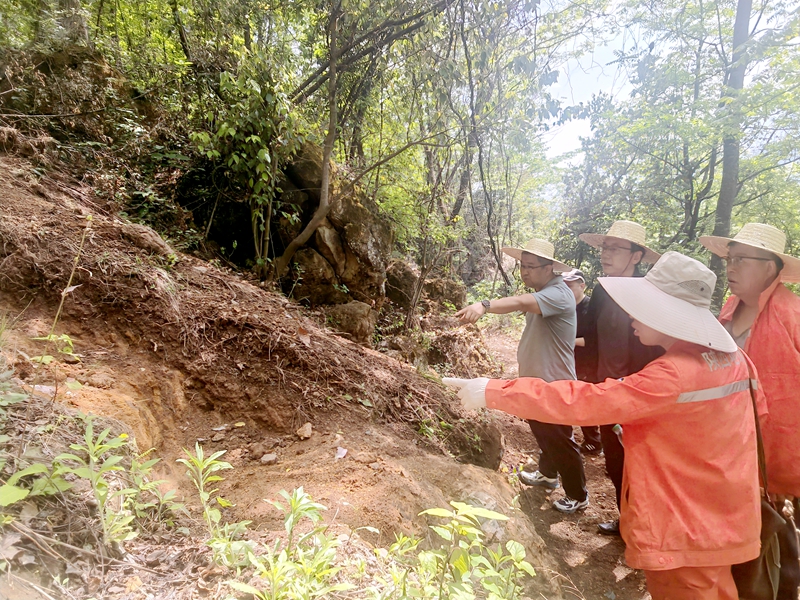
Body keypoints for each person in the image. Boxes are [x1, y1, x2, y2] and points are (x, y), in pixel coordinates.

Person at [445, 251, 763, 600]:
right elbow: (758, 422)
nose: (630, 315)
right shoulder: (736, 359)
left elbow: (587, 402)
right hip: (725, 515)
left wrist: (494, 390)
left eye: (642, 306)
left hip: (684, 527)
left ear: (669, 313)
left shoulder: (672, 375)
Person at [700, 222, 800, 600]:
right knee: (749, 524)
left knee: (778, 521)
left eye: (741, 259)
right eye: (730, 258)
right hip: (732, 440)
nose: (731, 266)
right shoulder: (730, 308)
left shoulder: (793, 314)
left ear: (770, 268)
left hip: (782, 447)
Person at [454, 238, 589, 513]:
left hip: (554, 383)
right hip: (537, 380)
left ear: (549, 268)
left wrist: (484, 304)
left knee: (559, 439)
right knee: (543, 432)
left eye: (531, 266)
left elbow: (519, 302)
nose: (524, 272)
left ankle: (578, 494)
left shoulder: (558, 293)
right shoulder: (545, 290)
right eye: (522, 266)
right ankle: (548, 475)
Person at [579, 220, 664, 535]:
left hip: (640, 395)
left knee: (641, 463)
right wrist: (591, 380)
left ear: (636, 256)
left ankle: (648, 528)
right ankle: (626, 520)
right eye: (605, 247)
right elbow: (592, 337)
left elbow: (656, 348)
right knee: (615, 463)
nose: (606, 254)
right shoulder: (602, 290)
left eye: (615, 248)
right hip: (607, 391)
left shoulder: (650, 294)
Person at [562, 269, 601, 455]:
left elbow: (594, 339)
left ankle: (594, 441)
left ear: (582, 286)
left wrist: (566, 341)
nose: (566, 290)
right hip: (568, 360)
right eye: (563, 286)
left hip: (588, 362)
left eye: (570, 286)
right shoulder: (564, 307)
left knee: (585, 400)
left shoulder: (591, 308)